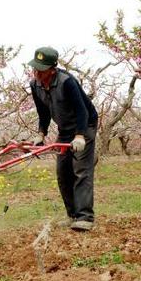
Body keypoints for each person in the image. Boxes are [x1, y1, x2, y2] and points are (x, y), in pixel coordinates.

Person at [28, 46, 98, 231]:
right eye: (34, 68)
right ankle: (72, 215)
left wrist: (81, 136)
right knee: (63, 171)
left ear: (52, 69)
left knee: (80, 170)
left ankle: (85, 217)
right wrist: (40, 134)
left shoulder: (67, 82)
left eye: (40, 70)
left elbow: (82, 110)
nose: (36, 73)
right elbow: (43, 112)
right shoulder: (35, 85)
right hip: (65, 129)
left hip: (85, 126)